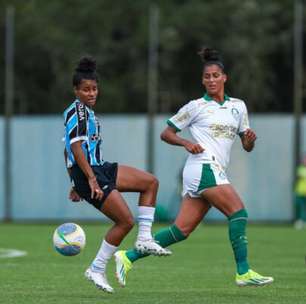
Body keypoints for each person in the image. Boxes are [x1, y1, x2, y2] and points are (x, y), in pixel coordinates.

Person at [114, 47, 274, 287]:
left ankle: (127, 256)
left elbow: (246, 144)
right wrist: (186, 143)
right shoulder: (195, 106)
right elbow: (166, 133)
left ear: (224, 77)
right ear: (203, 80)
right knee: (238, 212)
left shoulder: (238, 107)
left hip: (214, 170)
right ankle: (243, 271)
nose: (211, 80)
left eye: (215, 75)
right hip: (202, 167)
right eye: (206, 76)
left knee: (181, 230)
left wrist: (249, 141)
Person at [63, 56, 171, 293]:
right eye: (85, 90)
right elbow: (74, 147)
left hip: (100, 169)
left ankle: (144, 239)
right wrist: (86, 179)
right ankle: (96, 268)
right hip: (91, 175)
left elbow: (67, 148)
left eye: (94, 88)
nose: (91, 93)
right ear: (76, 90)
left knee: (150, 182)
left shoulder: (89, 113)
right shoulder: (77, 112)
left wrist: (74, 180)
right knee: (124, 221)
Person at [294, 155, 306, 229]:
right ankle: (301, 221)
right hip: (300, 192)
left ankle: (303, 221)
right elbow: (300, 176)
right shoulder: (301, 169)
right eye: (304, 159)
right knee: (301, 207)